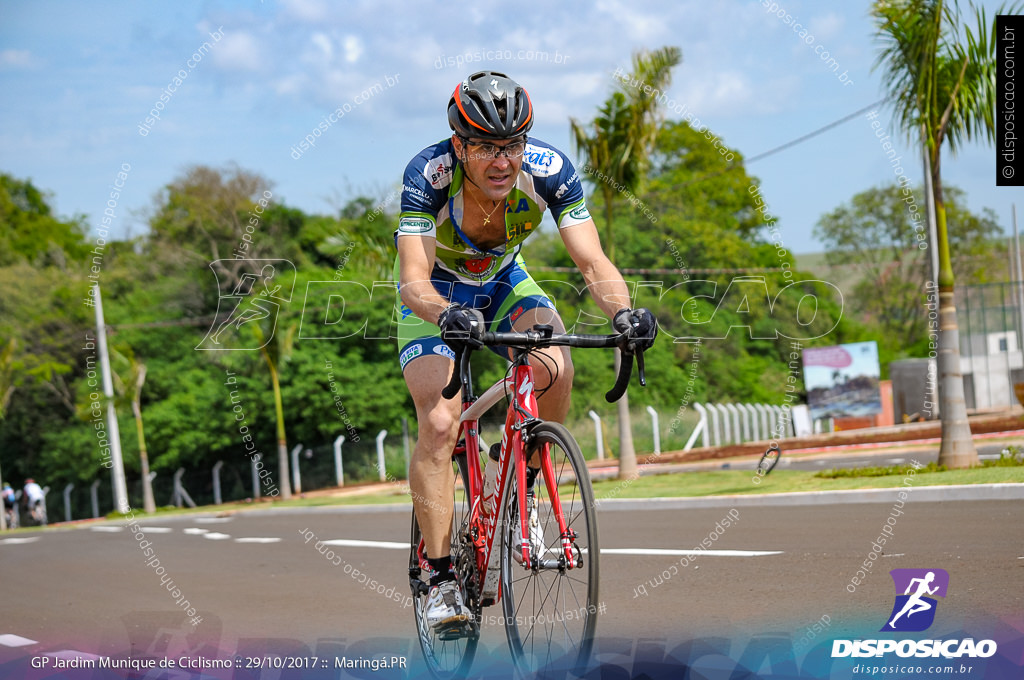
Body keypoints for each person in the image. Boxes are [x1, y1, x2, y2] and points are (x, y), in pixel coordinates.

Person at [395, 70, 657, 634]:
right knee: (441, 420)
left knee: (555, 360)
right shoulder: (428, 175)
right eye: (486, 147)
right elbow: (412, 280)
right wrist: (445, 315)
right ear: (460, 146)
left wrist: (623, 314)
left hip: (505, 282)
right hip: (437, 299)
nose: (502, 161)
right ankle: (440, 579)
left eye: (512, 145)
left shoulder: (551, 171)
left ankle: (525, 488)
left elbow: (592, 262)